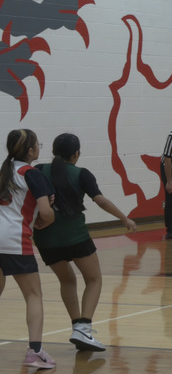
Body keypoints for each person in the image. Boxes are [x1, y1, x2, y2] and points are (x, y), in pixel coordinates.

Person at [35, 133, 138, 352]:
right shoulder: (82, 174)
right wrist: (124, 218)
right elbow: (100, 200)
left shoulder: (38, 171)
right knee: (94, 279)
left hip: (46, 240)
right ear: (76, 154)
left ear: (53, 151)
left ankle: (77, 327)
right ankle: (84, 328)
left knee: (67, 280)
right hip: (76, 237)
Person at [0, 129, 56, 369]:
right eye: (38, 144)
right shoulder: (32, 174)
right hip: (15, 240)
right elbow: (45, 213)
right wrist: (47, 218)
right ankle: (35, 352)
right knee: (33, 295)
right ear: (31, 150)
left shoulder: (4, 171)